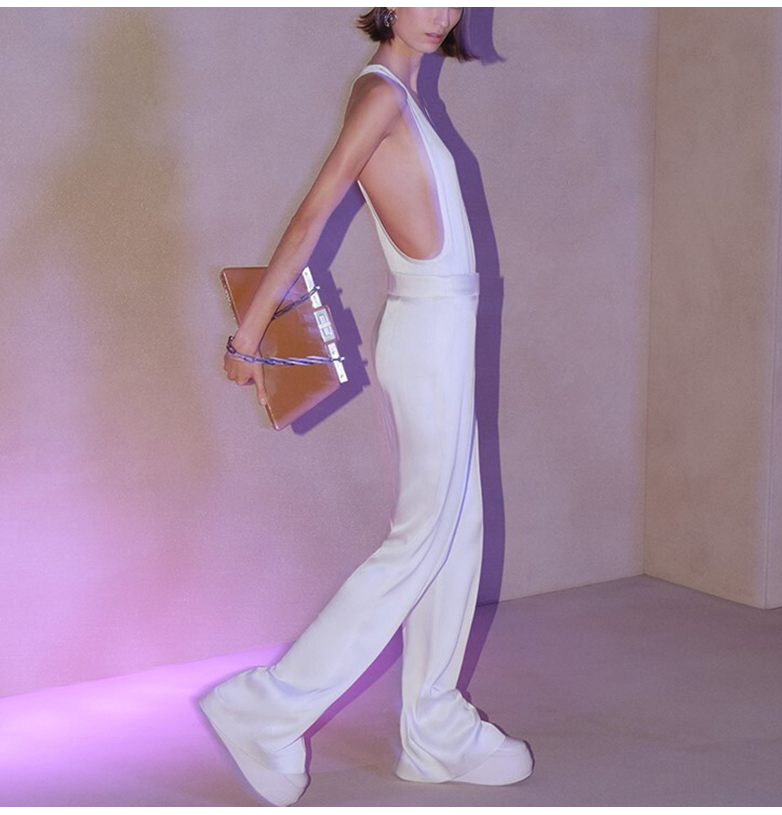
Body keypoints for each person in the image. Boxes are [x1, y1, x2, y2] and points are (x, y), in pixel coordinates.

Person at [198, 7, 533, 806]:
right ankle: (265, 708)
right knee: (422, 538)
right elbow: (314, 212)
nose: (441, 13)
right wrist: (248, 333)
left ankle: (434, 727)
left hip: (443, 331)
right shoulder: (381, 93)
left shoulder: (404, 92)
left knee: (458, 532)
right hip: (428, 334)